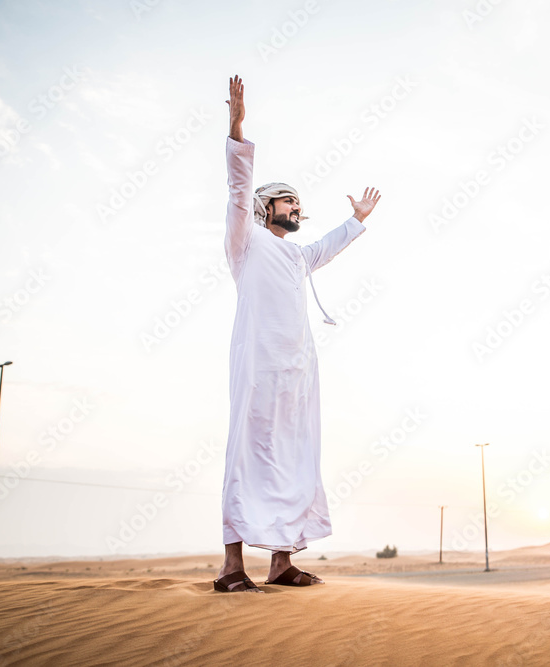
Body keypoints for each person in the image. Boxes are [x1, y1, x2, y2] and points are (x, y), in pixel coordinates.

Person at [213, 74, 381, 593]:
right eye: (286, 201)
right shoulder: (246, 244)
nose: (294, 207)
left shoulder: (296, 254)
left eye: (296, 202)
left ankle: (282, 564)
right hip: (258, 371)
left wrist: (355, 220)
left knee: (295, 456)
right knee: (246, 454)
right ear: (266, 208)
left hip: (297, 373)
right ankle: (231, 568)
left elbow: (326, 248)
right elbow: (238, 190)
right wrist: (238, 129)